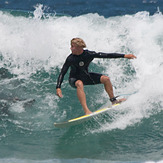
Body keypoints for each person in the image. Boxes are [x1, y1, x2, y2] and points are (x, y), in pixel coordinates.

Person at [56, 38, 136, 115]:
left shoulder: (89, 54)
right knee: (79, 83)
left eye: (72, 46)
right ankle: (86, 111)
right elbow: (63, 72)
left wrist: (124, 55)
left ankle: (113, 100)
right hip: (74, 79)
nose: (71, 48)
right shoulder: (70, 58)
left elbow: (106, 55)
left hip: (85, 77)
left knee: (106, 79)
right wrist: (58, 87)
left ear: (79, 47)